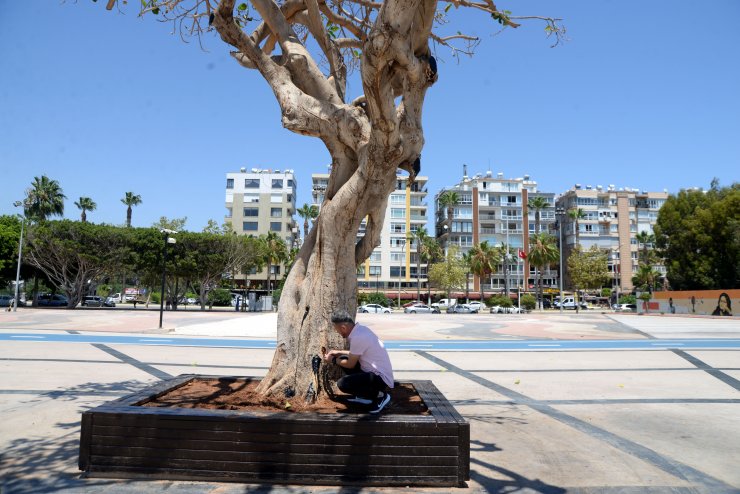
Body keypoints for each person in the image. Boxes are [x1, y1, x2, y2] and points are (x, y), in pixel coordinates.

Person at [324, 309, 394, 414]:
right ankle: (366, 396)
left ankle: (381, 396)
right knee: (342, 358)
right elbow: (357, 352)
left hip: (381, 379)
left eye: (337, 329)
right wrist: (338, 352)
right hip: (375, 374)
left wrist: (333, 360)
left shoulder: (357, 337)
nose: (337, 332)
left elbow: (350, 364)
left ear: (343, 327)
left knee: (343, 384)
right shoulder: (361, 330)